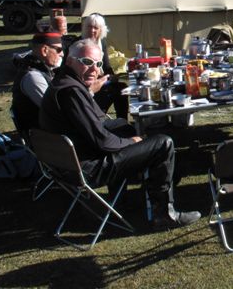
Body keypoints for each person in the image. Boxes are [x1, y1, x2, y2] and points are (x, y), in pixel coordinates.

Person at [39, 39, 201, 229]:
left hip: (67, 163)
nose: (94, 69)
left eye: (98, 64)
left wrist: (127, 134)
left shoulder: (64, 82)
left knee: (122, 126)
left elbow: (98, 125)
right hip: (86, 168)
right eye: (87, 62)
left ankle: (122, 199)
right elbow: (102, 141)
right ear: (69, 61)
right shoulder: (70, 92)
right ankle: (164, 214)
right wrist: (132, 141)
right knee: (163, 144)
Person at [11, 32, 63, 137]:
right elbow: (55, 109)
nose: (61, 54)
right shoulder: (32, 77)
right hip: (45, 136)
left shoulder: (42, 69)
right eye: (58, 50)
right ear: (44, 50)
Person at [80, 13, 129, 119]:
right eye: (89, 27)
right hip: (88, 86)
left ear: (101, 30)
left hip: (102, 81)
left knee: (122, 88)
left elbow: (106, 66)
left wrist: (112, 76)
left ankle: (122, 121)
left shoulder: (101, 42)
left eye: (95, 28)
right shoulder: (80, 45)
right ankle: (99, 117)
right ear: (85, 28)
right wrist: (101, 79)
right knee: (110, 92)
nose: (92, 30)